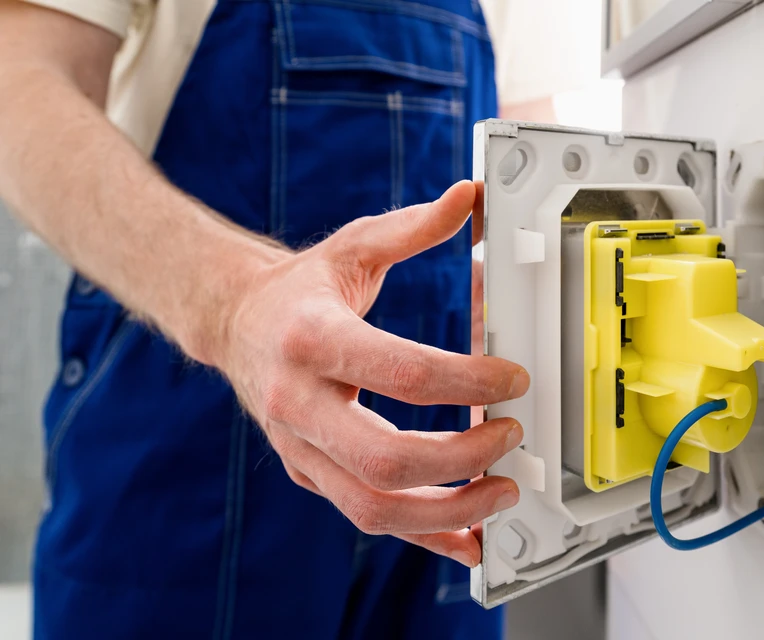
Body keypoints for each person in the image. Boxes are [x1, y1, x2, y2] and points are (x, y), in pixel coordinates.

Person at [0, 0, 595, 637]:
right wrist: (235, 304)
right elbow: (20, 84)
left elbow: (525, 141)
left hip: (443, 489)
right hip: (180, 451)